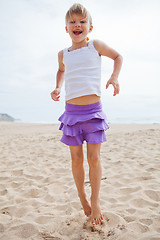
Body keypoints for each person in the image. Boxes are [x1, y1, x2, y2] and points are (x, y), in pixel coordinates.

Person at [51, 3, 123, 226]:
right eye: (72, 22)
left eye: (82, 21)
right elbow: (62, 70)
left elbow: (118, 56)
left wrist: (114, 77)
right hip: (71, 113)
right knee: (76, 159)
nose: (77, 25)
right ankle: (82, 196)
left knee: (94, 158)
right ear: (66, 28)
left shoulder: (96, 46)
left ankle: (95, 200)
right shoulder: (63, 54)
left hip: (93, 112)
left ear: (90, 27)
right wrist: (57, 87)